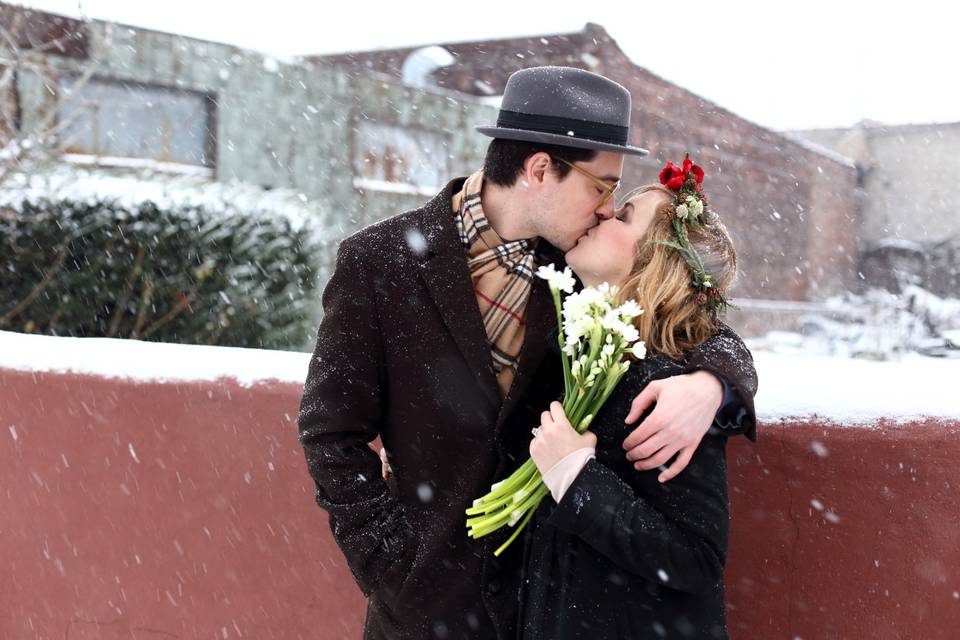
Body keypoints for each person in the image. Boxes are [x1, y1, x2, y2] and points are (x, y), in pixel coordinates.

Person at [296, 66, 757, 640]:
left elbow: (689, 319)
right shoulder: (379, 263)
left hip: (541, 610)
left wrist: (711, 384)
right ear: (541, 169)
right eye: (601, 185)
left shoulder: (585, 266)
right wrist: (391, 565)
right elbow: (329, 433)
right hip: (419, 615)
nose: (607, 208)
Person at [520, 160, 746, 639]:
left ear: (655, 260)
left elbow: (694, 557)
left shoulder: (668, 387)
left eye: (623, 217)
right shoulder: (586, 345)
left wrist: (578, 479)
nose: (603, 214)